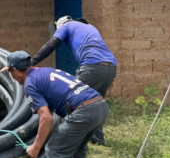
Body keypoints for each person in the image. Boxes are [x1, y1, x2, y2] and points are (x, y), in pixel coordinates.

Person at [1, 51, 109, 158]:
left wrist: (35, 147)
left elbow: (46, 118)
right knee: (78, 146)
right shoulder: (44, 71)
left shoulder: (30, 84)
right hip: (100, 106)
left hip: (84, 112)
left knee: (54, 151)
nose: (11, 76)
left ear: (15, 70)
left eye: (9, 72)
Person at [30, 16, 116, 146]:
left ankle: (65, 140)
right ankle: (98, 141)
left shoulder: (65, 26)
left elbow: (52, 43)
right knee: (94, 104)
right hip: (110, 67)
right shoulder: (90, 27)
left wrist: (32, 62)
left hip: (92, 66)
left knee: (70, 101)